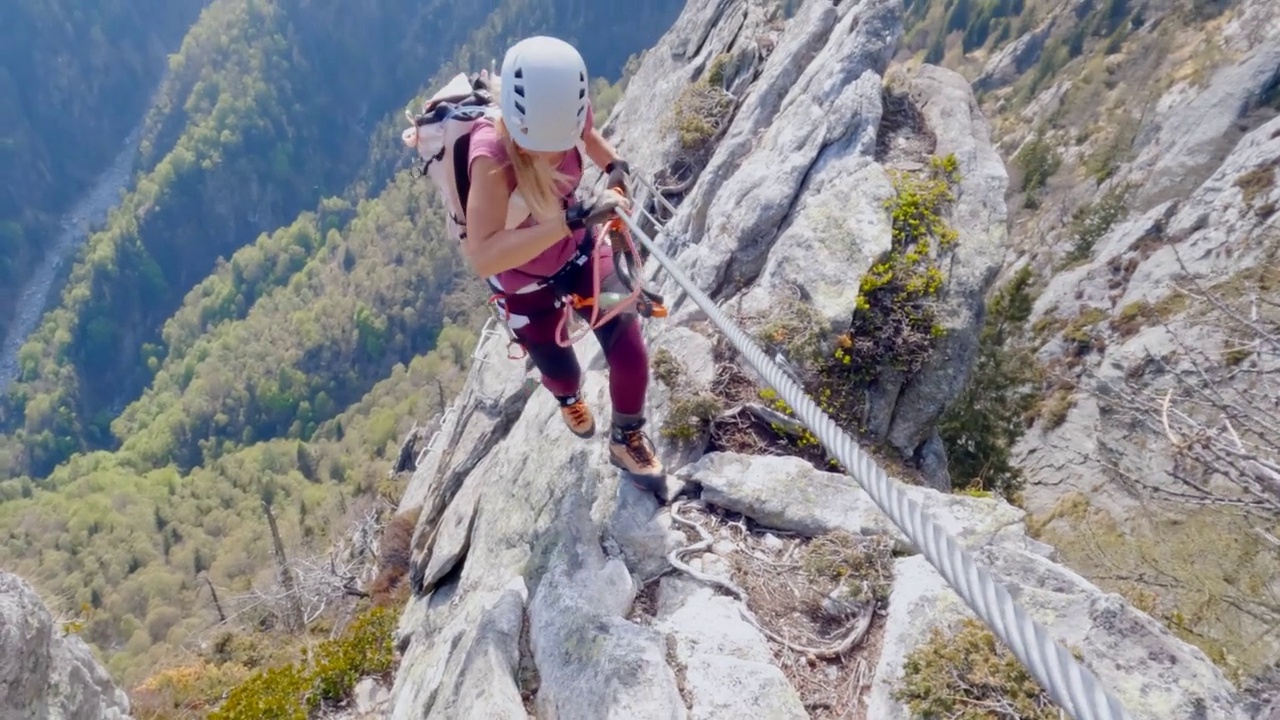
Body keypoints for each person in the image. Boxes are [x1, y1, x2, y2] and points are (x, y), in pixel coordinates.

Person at [461, 35, 664, 480]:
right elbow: (483, 255)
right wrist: (569, 220)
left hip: (578, 253)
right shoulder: (491, 157)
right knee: (562, 371)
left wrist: (614, 166)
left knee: (628, 348)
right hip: (522, 282)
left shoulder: (568, 116)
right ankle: (568, 399)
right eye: (542, 144)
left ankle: (626, 437)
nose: (554, 152)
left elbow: (588, 137)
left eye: (560, 141)